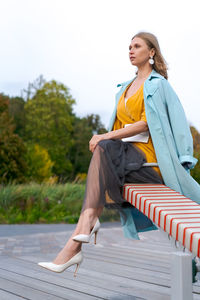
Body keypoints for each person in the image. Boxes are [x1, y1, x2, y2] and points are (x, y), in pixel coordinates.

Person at [38, 31, 200, 276]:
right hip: (127, 160)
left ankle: (78, 239)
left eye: (137, 46)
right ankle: (81, 235)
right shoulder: (123, 88)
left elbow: (159, 123)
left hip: (149, 161)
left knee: (103, 146)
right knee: (103, 151)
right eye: (129, 47)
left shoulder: (159, 85)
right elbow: (117, 131)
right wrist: (107, 139)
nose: (131, 50)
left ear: (152, 52)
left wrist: (185, 157)